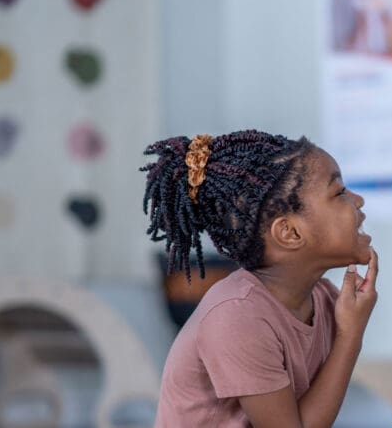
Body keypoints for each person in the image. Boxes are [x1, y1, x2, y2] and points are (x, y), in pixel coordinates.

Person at [141, 130, 378, 427]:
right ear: (290, 233)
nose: (358, 200)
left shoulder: (326, 300)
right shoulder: (236, 316)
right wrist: (350, 336)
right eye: (340, 192)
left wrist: (346, 329)